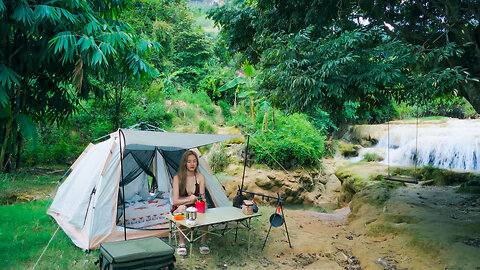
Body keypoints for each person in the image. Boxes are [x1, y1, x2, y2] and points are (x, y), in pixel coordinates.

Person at [171, 150, 210, 256]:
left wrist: (202, 202)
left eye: (194, 161)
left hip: (195, 205)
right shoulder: (177, 178)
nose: (192, 164)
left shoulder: (200, 177)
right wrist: (190, 199)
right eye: (189, 161)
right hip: (181, 206)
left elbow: (201, 197)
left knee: (203, 209)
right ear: (184, 163)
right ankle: (182, 242)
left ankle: (203, 242)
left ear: (197, 163)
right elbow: (176, 201)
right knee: (182, 209)